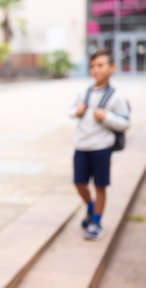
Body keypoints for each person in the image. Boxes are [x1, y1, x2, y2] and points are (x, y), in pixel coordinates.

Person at [69, 49, 130, 240]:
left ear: (112, 68)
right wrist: (76, 111)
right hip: (82, 145)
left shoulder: (116, 96)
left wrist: (107, 117)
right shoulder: (83, 92)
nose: (96, 70)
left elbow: (125, 122)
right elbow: (71, 111)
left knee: (100, 186)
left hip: (101, 148)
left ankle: (96, 221)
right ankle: (90, 206)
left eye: (101, 65)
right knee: (79, 183)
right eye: (93, 66)